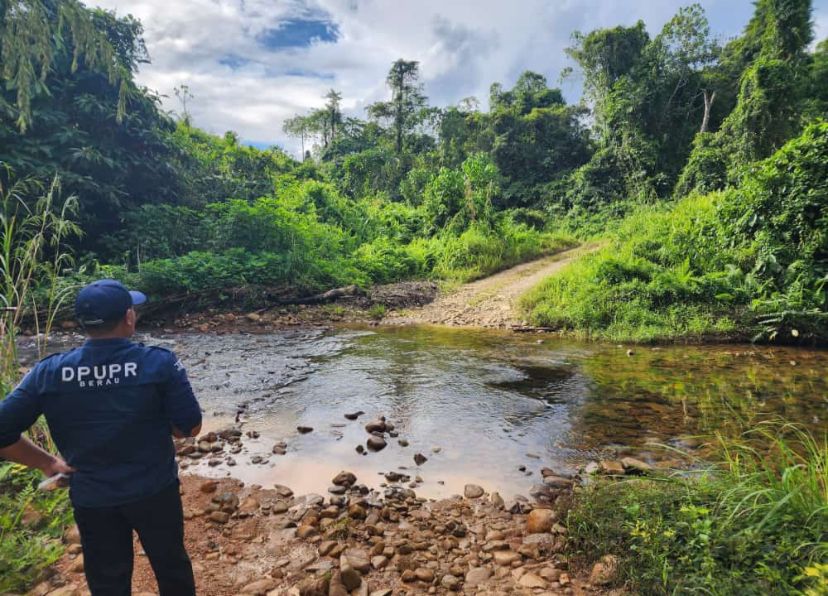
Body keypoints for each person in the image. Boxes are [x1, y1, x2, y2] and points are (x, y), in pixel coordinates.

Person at [0, 279, 202, 596]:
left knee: (108, 582)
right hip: (154, 491)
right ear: (129, 317)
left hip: (92, 498)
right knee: (171, 566)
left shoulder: (50, 372)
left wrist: (47, 462)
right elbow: (188, 429)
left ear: (81, 324)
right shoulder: (159, 363)